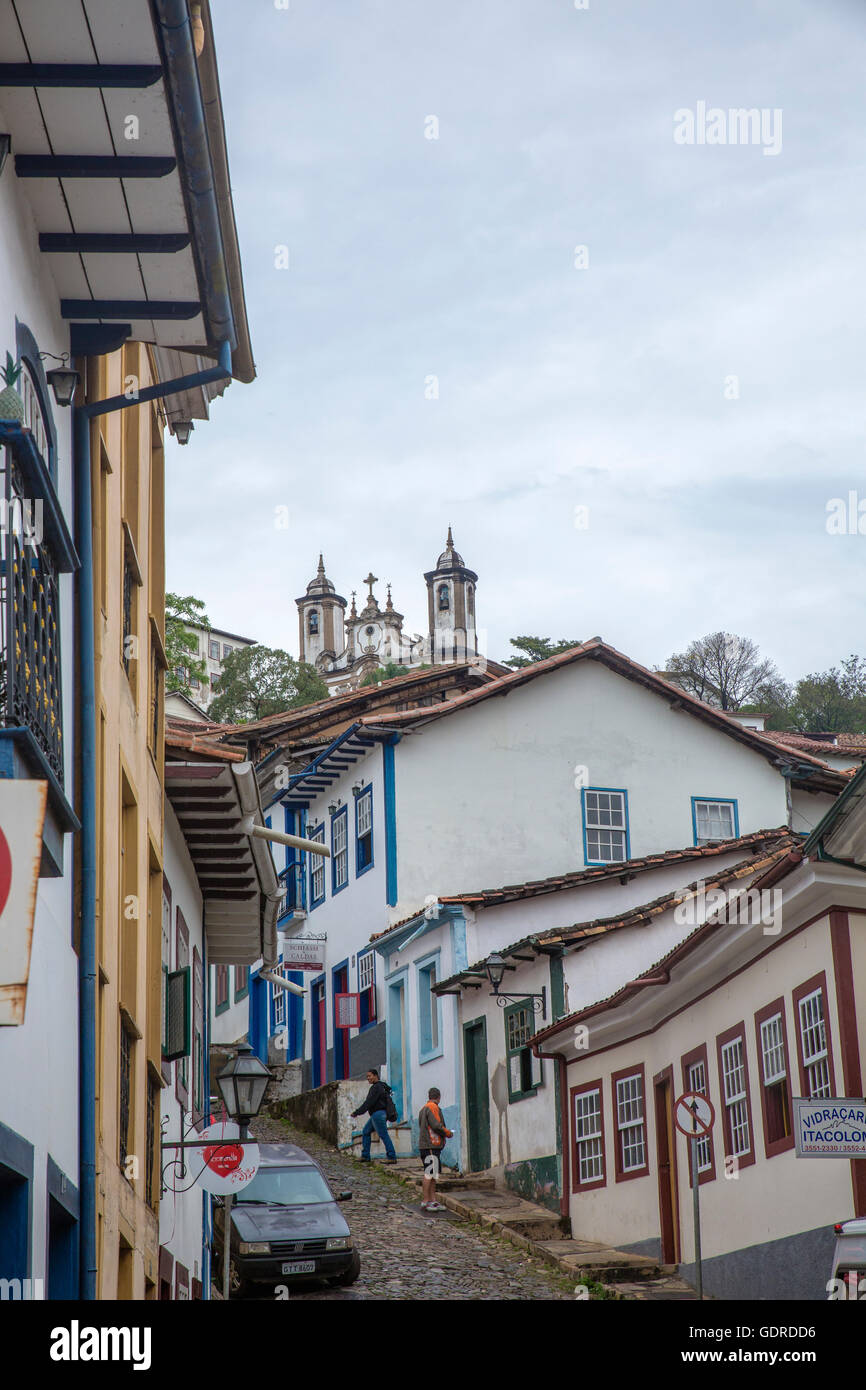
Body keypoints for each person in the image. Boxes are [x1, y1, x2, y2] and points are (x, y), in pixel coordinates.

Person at [350, 1068, 397, 1162]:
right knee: (366, 1131)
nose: (368, 1078)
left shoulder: (375, 1088)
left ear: (375, 1075)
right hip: (380, 1114)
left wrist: (357, 1112)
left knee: (383, 1135)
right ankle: (365, 1155)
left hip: (378, 1115)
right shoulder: (383, 1086)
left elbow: (368, 1103)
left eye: (369, 1076)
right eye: (367, 1076)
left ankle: (392, 1156)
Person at [418, 1087, 452, 1211]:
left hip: (428, 1145)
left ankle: (433, 1200)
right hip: (430, 1145)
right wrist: (447, 1133)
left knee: (433, 1174)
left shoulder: (423, 1109)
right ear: (439, 1097)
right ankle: (426, 1200)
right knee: (429, 1173)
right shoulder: (433, 1108)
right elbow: (436, 1126)